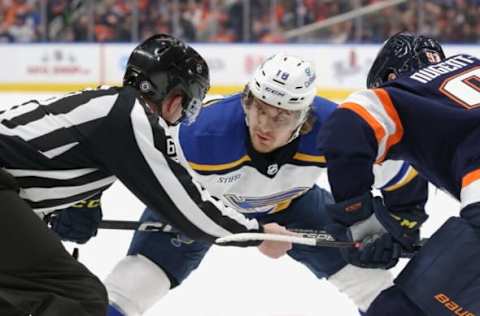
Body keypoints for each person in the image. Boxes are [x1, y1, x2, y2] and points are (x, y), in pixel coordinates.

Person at [51, 53, 428, 316]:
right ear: (246, 99)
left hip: (292, 207)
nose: (265, 123)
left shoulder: (336, 129)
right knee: (132, 287)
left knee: (372, 284)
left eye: (281, 116)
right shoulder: (199, 133)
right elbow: (118, 148)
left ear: (304, 118)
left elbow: (399, 173)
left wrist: (402, 222)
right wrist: (81, 200)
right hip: (198, 207)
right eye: (259, 107)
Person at [0, 33, 290, 316]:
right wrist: (255, 233)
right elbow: (186, 205)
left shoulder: (109, 109)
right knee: (78, 298)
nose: (182, 117)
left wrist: (79, 207)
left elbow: (50, 154)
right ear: (175, 96)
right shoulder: (131, 116)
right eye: (189, 104)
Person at [317, 32, 480, 316]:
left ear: (391, 76)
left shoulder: (406, 92)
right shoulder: (471, 66)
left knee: (400, 308)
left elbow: (346, 126)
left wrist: (358, 218)